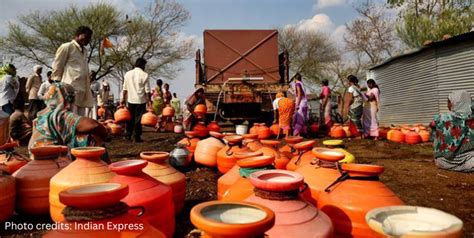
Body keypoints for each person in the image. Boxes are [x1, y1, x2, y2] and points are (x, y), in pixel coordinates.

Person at [28, 82, 110, 162]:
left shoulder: (41, 116)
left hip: (35, 161)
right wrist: (105, 134)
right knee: (90, 138)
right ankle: (105, 171)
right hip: (53, 161)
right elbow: (93, 125)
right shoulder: (59, 115)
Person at [51, 26, 93, 116]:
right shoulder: (67, 47)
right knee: (71, 118)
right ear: (77, 35)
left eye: (89, 38)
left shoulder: (85, 51)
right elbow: (58, 65)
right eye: (86, 36)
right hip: (70, 89)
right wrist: (57, 84)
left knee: (80, 119)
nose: (87, 39)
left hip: (82, 89)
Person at [431, 90, 473, 172]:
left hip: (441, 161)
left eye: (449, 102)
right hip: (466, 159)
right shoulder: (471, 119)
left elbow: (433, 138)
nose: (448, 105)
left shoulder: (441, 119)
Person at [121, 58, 152, 143]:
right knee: (138, 120)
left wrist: (123, 99)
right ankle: (136, 137)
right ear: (142, 65)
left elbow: (125, 88)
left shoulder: (128, 74)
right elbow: (147, 91)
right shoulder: (145, 75)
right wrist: (149, 101)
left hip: (130, 100)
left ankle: (128, 135)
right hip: (141, 101)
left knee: (130, 118)